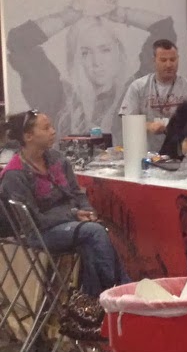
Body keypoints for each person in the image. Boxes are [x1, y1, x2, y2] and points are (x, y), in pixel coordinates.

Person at [5, 0, 173, 141]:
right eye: (85, 53)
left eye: (105, 50)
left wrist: (118, 13)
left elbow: (164, 29)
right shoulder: (58, 97)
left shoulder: (136, 91)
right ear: (75, 58)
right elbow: (19, 42)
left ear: (119, 52)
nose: (97, 62)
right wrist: (71, 15)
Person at [0, 111, 127, 299]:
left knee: (91, 241)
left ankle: (93, 300)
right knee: (94, 232)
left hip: (70, 224)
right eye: (46, 128)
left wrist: (87, 210)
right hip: (39, 232)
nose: (53, 131)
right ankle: (118, 291)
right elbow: (33, 220)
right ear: (28, 136)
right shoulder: (15, 174)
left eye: (51, 126)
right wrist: (73, 214)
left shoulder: (58, 159)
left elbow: (76, 192)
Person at [118, 39, 187, 153]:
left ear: (178, 59)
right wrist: (149, 126)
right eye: (163, 60)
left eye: (173, 59)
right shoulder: (138, 87)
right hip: (147, 154)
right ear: (154, 61)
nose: (169, 65)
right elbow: (128, 120)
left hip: (182, 155)